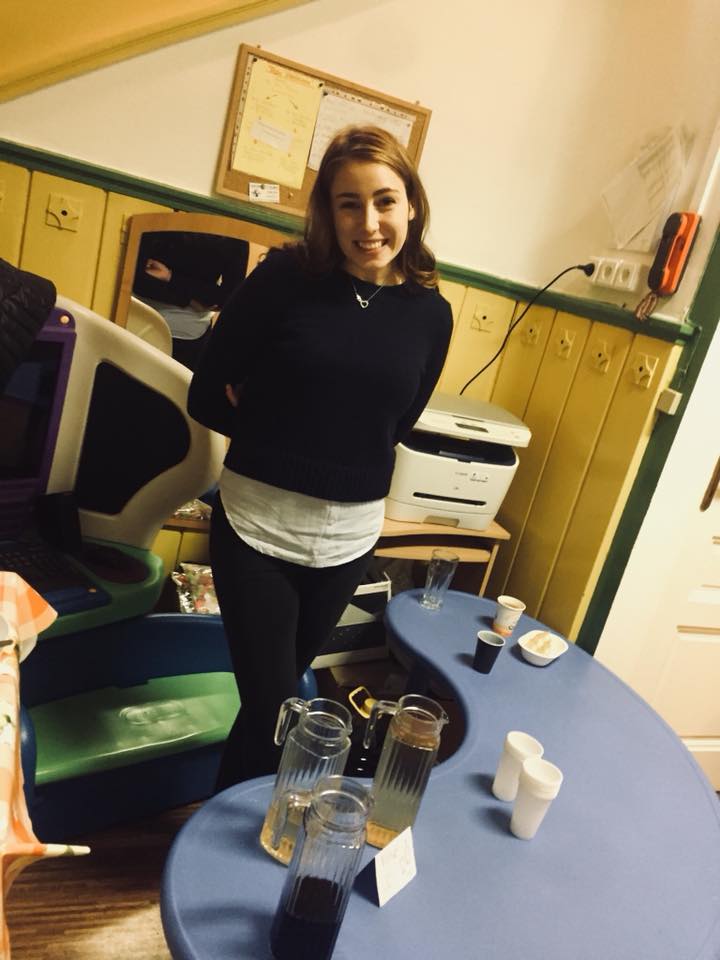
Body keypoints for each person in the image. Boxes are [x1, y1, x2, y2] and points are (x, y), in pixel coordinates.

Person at [187, 125, 453, 789]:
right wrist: (280, 428)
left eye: (385, 201)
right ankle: (260, 827)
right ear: (327, 213)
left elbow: (395, 423)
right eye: (348, 204)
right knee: (278, 708)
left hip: (349, 539)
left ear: (411, 205)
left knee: (266, 709)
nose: (370, 223)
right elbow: (207, 394)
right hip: (258, 525)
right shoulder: (284, 279)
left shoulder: (431, 314)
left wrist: (303, 421)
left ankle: (224, 827)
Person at [132, 231, 249, 370]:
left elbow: (225, 298)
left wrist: (170, 277)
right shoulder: (234, 234)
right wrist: (190, 299)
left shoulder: (234, 236)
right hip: (184, 325)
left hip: (142, 317)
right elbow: (225, 298)